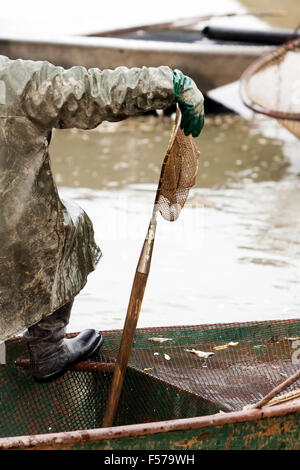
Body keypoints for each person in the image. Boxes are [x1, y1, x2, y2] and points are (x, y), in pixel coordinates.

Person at [0, 55, 204, 382]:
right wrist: (172, 83)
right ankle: (48, 348)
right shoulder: (15, 81)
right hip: (10, 248)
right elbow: (96, 91)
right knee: (70, 227)